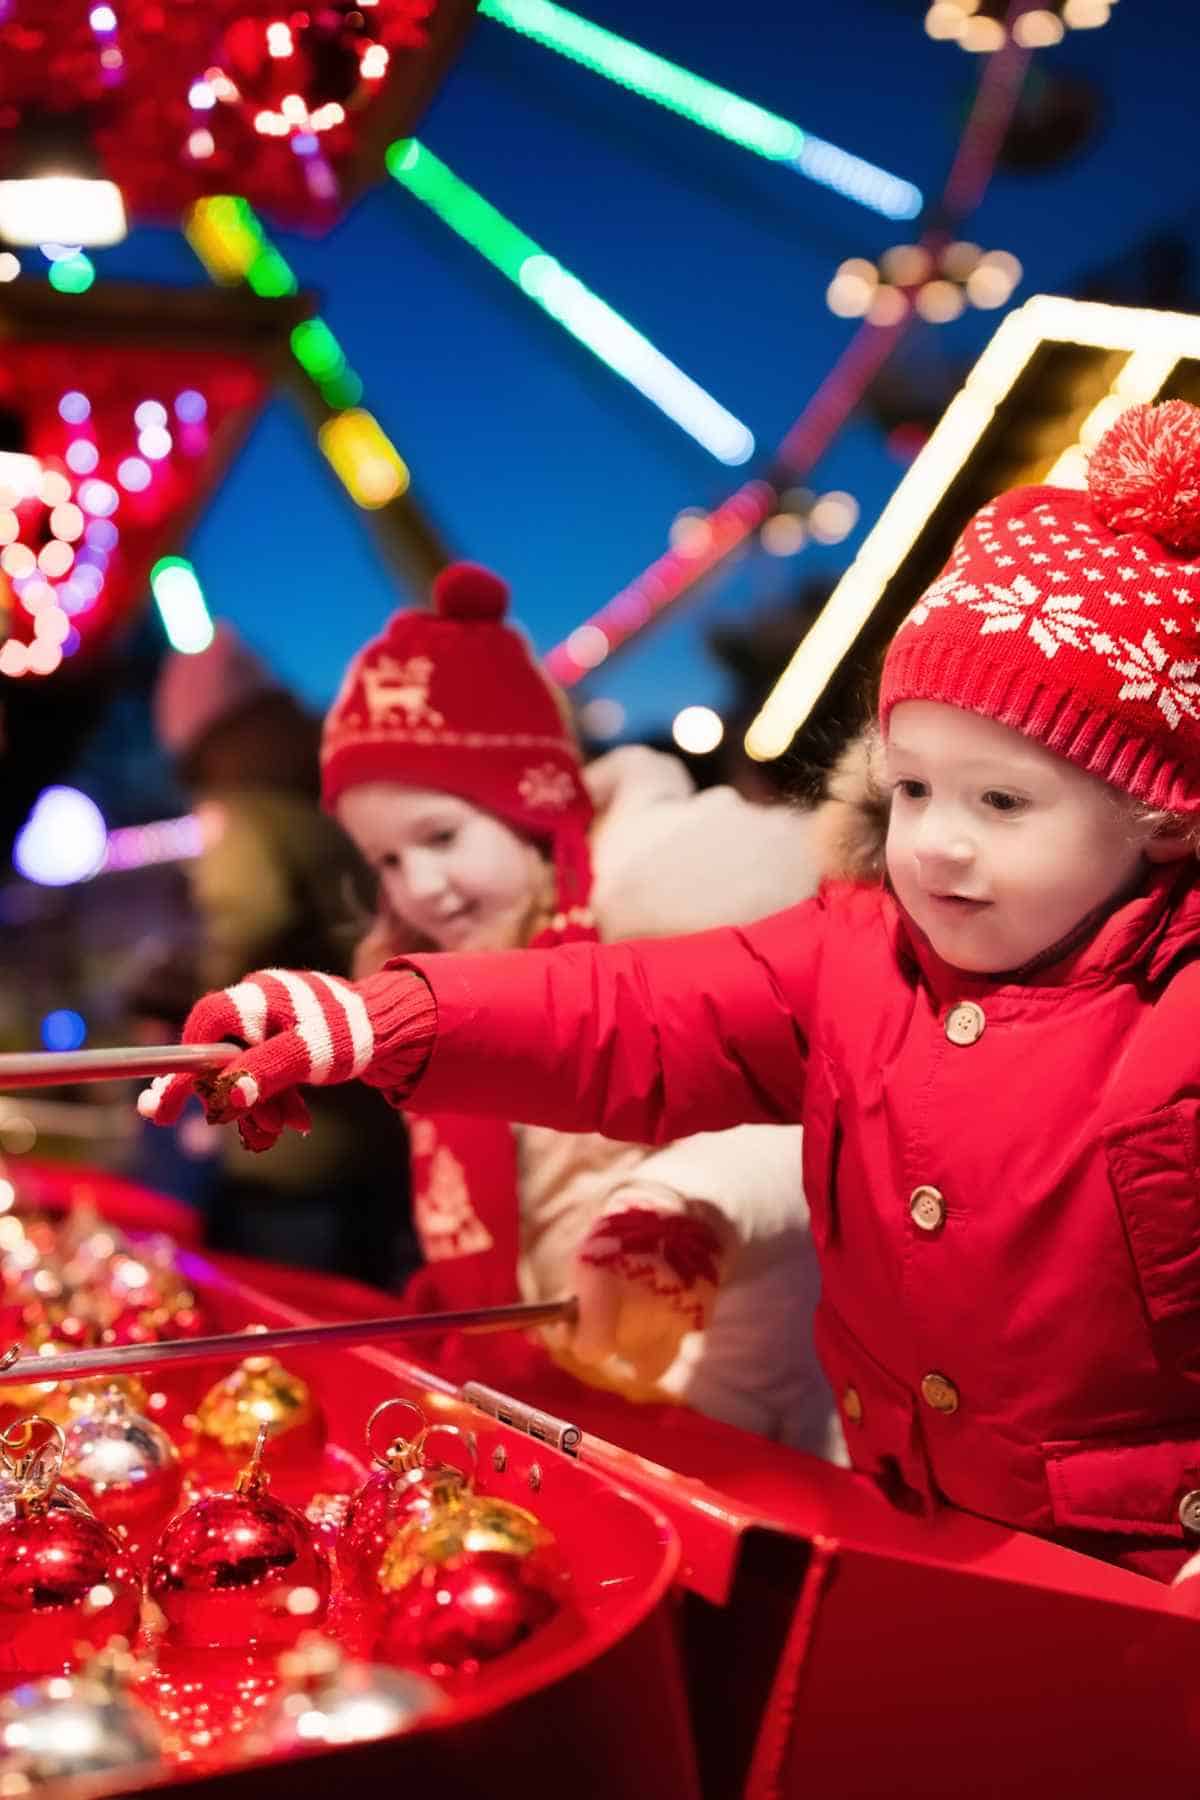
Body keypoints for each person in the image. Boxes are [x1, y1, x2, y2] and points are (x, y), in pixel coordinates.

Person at [141, 398, 1200, 1572]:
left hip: (1144, 1576)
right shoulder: (854, 951)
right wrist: (381, 1019)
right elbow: (631, 1011)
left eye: (1000, 803)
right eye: (910, 791)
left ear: (1157, 815)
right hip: (905, 1530)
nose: (936, 845)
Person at [148, 624, 415, 1284]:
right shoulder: (329, 817)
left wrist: (198, 1014)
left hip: (296, 1149)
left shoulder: (247, 817)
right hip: (377, 1128)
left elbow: (251, 916)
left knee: (291, 1323)